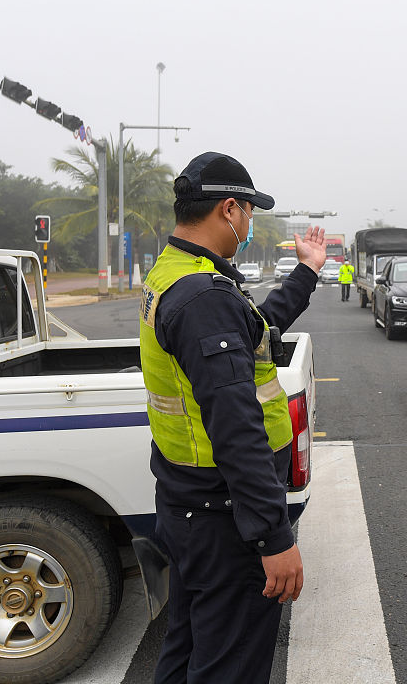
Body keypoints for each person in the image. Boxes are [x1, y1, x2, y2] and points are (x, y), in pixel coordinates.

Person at [139, 151, 326, 684]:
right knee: (231, 666)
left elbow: (257, 331)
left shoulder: (176, 272)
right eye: (249, 212)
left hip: (188, 507)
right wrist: (272, 538)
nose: (249, 224)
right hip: (223, 519)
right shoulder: (203, 296)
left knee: (189, 650)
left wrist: (307, 271)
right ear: (228, 209)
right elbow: (237, 429)